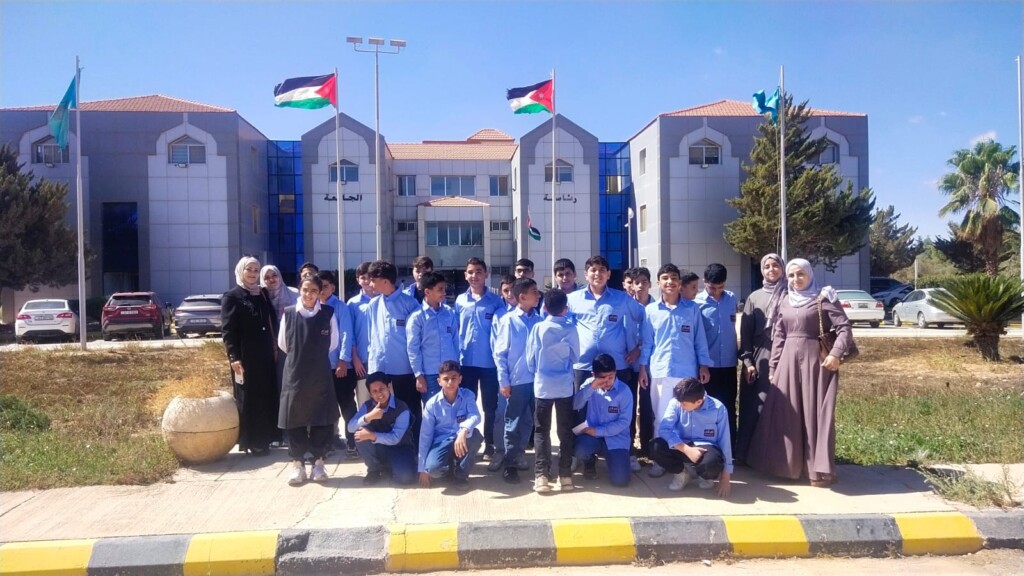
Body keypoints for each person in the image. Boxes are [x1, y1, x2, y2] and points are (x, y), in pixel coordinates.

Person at [748, 258, 853, 488]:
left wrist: (835, 354)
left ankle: (818, 470)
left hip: (817, 364)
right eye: (792, 275)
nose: (796, 279)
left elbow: (844, 328)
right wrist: (774, 367)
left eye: (800, 274)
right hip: (787, 364)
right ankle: (785, 467)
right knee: (787, 413)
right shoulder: (785, 300)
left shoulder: (823, 298)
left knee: (815, 414)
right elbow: (779, 336)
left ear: (809, 274)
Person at [638, 264, 711, 477]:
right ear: (658, 283)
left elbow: (700, 340)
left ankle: (686, 461)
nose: (669, 281)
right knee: (661, 419)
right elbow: (647, 343)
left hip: (686, 373)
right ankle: (661, 461)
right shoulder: (651, 311)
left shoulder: (692, 309)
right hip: (660, 372)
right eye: (665, 278)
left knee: (685, 419)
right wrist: (642, 368)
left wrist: (703, 365)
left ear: (680, 283)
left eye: (673, 278)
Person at [567, 256, 640, 468]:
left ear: (608, 274)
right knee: (579, 410)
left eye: (601, 270)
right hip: (583, 365)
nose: (597, 274)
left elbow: (645, 319)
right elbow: (564, 327)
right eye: (592, 270)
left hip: (616, 366)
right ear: (585, 274)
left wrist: (639, 347)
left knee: (622, 407)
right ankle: (580, 454)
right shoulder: (573, 299)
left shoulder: (622, 299)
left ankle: (627, 451)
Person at [277, 274, 339, 485]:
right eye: (305, 290)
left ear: (320, 292)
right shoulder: (288, 314)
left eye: (314, 291)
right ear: (299, 290)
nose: (309, 294)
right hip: (295, 375)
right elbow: (284, 344)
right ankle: (297, 465)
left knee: (321, 418)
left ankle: (319, 464)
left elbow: (333, 343)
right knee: (295, 419)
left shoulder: (328, 314)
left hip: (320, 374)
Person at [221, 256, 280, 456]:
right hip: (245, 357)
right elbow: (228, 330)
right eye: (249, 269)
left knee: (266, 394)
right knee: (249, 397)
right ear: (241, 271)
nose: (253, 274)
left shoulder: (261, 294)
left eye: (256, 270)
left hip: (265, 354)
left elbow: (271, 321)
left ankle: (266, 438)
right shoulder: (232, 297)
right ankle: (252, 441)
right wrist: (233, 357)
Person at [526, 289, 580, 493]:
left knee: (542, 430)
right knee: (565, 431)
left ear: (545, 308)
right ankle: (565, 476)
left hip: (543, 386)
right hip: (564, 387)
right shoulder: (571, 329)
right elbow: (576, 357)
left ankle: (541, 475)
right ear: (566, 309)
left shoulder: (538, 328)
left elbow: (530, 359)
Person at [492, 277, 543, 482]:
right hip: (517, 381)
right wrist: (504, 381)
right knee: (512, 423)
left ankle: (522, 454)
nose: (538, 295)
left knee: (531, 421)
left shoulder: (539, 320)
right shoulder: (508, 321)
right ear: (522, 297)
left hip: (538, 382)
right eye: (534, 292)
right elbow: (500, 354)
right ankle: (510, 463)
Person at [736, 253, 785, 464]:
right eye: (767, 266)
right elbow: (745, 333)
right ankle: (747, 456)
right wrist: (748, 362)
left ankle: (777, 458)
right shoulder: (754, 297)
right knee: (755, 407)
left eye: (775, 265)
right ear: (762, 270)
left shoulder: (791, 295)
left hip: (786, 356)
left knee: (782, 407)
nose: (771, 270)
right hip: (759, 359)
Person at [454, 257, 504, 461]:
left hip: (489, 363)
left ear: (486, 274)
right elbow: (455, 330)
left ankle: (490, 444)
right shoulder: (460, 301)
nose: (474, 276)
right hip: (465, 363)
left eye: (478, 272)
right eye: (470, 272)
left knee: (490, 406)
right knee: (467, 405)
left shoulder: (496, 301)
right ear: (465, 275)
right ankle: (468, 442)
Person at [366, 260, 422, 440]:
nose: (370, 284)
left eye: (373, 280)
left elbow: (417, 338)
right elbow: (371, 336)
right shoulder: (373, 305)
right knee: (380, 410)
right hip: (379, 369)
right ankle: (383, 444)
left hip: (403, 368)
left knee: (409, 408)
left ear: (385, 281)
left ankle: (413, 445)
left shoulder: (410, 304)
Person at [650, 377, 732, 497]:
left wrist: (726, 478)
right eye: (679, 401)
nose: (680, 405)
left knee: (712, 463)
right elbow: (664, 429)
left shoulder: (718, 408)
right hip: (681, 445)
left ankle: (704, 476)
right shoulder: (676, 402)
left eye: (684, 403)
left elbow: (725, 441)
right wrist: (686, 449)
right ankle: (681, 473)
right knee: (656, 446)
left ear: (699, 401)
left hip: (705, 449)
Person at [418, 361, 483, 491]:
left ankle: (461, 475)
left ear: (460, 379)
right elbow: (425, 436)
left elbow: (475, 415)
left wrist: (463, 430)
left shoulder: (467, 395)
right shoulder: (432, 404)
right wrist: (422, 469)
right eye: (446, 379)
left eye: (454, 378)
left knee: (475, 436)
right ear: (439, 381)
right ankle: (449, 467)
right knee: (433, 470)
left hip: (462, 438)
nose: (450, 382)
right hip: (442, 441)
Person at [694, 263, 739, 445]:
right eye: (713, 288)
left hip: (729, 363)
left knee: (729, 406)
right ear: (704, 282)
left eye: (721, 287)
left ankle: (730, 446)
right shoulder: (697, 303)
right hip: (707, 366)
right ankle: (709, 445)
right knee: (707, 406)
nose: (717, 292)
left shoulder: (731, 298)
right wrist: (701, 364)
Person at [573, 353, 634, 487]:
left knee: (620, 481)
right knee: (579, 448)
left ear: (616, 372)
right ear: (593, 374)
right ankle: (590, 462)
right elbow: (576, 405)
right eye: (602, 378)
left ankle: (617, 460)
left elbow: (624, 422)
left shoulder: (624, 391)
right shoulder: (589, 385)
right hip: (592, 437)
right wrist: (591, 387)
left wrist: (598, 431)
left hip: (616, 439)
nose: (607, 382)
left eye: (611, 377)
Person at [348, 372, 417, 485]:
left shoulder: (401, 408)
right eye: (374, 391)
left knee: (406, 478)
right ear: (370, 394)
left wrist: (372, 435)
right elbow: (350, 427)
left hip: (400, 447)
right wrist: (368, 417)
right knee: (359, 432)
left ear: (388, 387)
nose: (379, 393)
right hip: (379, 447)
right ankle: (373, 470)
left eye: (382, 389)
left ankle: (389, 466)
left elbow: (395, 438)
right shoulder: (367, 406)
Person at [318, 270, 356, 457]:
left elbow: (347, 334)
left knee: (347, 406)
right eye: (319, 286)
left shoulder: (341, 307)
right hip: (320, 368)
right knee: (324, 408)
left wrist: (343, 360)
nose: (322, 290)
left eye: (325, 286)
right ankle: (326, 444)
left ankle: (353, 443)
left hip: (340, 367)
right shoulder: (313, 307)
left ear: (333, 287)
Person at [407, 271, 460, 402]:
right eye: (440, 289)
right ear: (427, 292)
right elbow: (413, 349)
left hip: (451, 372)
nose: (444, 292)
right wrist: (419, 375)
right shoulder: (417, 317)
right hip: (430, 374)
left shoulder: (449, 313)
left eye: (444, 289)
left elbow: (455, 341)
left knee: (452, 408)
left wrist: (457, 367)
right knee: (432, 409)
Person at [628, 267, 656, 462]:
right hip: (629, 364)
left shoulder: (656, 307)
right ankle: (629, 445)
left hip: (649, 365)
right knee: (629, 405)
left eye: (644, 282)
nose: (640, 286)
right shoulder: (625, 306)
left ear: (650, 284)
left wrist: (639, 348)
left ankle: (647, 445)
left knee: (648, 406)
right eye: (636, 282)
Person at [347, 261, 375, 408]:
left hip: (382, 361)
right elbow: (349, 333)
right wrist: (355, 358)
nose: (367, 281)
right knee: (364, 404)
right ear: (358, 280)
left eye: (370, 277)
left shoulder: (383, 300)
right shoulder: (352, 304)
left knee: (385, 403)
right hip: (362, 361)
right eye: (363, 277)